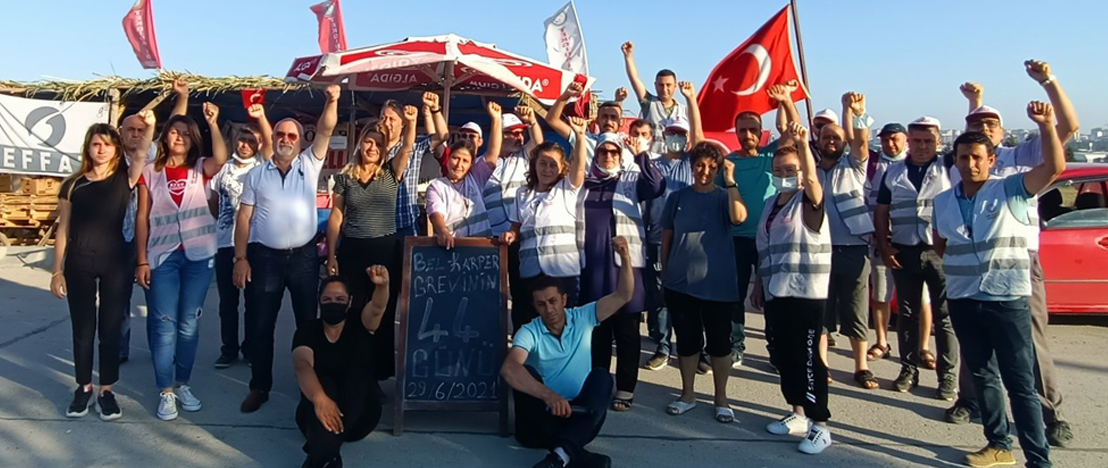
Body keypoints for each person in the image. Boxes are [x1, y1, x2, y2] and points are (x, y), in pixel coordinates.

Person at [944, 61, 1079, 449]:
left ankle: (1049, 413)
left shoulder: (1022, 156)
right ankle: (970, 400)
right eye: (978, 124)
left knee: (1029, 339)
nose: (985, 128)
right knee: (974, 339)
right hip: (973, 261)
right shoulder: (965, 162)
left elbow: (1068, 128)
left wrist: (1048, 83)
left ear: (1002, 133)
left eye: (992, 124)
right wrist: (975, 102)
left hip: (1018, 259)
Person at [235, 84, 342, 413]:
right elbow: (244, 217)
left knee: (308, 325)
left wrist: (332, 100)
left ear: (300, 142)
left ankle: (311, 389)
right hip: (265, 258)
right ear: (273, 137)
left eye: (292, 135)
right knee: (261, 325)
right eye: (280, 134)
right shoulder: (256, 175)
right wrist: (240, 258)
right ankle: (259, 386)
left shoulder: (309, 164)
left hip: (304, 259)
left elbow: (326, 129)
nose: (285, 139)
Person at [501, 236, 637, 468]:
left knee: (602, 377)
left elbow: (623, 295)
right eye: (541, 304)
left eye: (553, 301)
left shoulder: (584, 316)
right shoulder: (529, 331)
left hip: (578, 415)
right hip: (541, 420)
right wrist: (549, 396)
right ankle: (572, 453)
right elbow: (510, 369)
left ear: (564, 300)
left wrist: (625, 257)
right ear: (535, 307)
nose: (549, 309)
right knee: (526, 371)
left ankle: (559, 457)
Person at [51, 118, 152, 421]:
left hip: (115, 262)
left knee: (110, 328)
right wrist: (57, 271)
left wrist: (149, 126)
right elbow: (63, 229)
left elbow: (142, 150)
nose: (101, 150)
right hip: (79, 261)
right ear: (88, 148)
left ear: (116, 149)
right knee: (83, 329)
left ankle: (106, 390)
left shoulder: (126, 178)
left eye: (107, 145)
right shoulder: (73, 184)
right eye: (96, 144)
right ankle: (84, 387)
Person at [135, 102, 228, 421]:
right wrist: (141, 260)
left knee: (189, 323)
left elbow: (221, 159)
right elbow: (142, 217)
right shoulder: (150, 171)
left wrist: (213, 123)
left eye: (186, 133)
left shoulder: (200, 168)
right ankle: (165, 390)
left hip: (198, 258)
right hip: (163, 257)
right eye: (174, 131)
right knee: (164, 324)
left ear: (193, 140)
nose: (179, 137)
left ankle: (182, 383)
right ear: (165, 136)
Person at [750, 123, 833, 454]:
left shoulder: (808, 201)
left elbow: (813, 181)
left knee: (809, 359)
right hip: (776, 292)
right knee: (784, 356)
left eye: (790, 170)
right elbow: (765, 248)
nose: (784, 174)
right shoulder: (771, 204)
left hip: (805, 292)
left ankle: (820, 424)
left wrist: (802, 143)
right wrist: (760, 284)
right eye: (779, 170)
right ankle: (797, 413)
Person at [325, 100, 419, 383]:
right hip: (352, 251)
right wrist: (331, 255)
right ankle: (354, 370)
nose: (372, 148)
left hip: (384, 251)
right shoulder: (344, 178)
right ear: (361, 143)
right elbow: (336, 216)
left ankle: (377, 374)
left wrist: (411, 122)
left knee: (382, 312)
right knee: (354, 309)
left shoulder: (391, 173)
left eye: (379, 144)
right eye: (368, 142)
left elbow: (407, 147)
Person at [581, 124, 665, 413]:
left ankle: (626, 388)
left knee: (627, 330)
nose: (608, 156)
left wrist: (641, 156)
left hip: (627, 267)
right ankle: (599, 385)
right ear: (596, 154)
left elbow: (657, 186)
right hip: (594, 266)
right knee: (598, 331)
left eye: (613, 152)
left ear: (620, 155)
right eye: (603, 151)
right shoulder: (586, 183)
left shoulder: (631, 178)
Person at [661, 142, 747, 423]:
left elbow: (739, 217)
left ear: (719, 169)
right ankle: (687, 394)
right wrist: (665, 271)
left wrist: (731, 181)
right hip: (680, 284)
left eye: (712, 167)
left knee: (720, 344)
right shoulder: (677, 197)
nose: (705, 171)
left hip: (718, 285)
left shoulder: (725, 196)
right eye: (699, 165)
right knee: (687, 342)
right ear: (691, 166)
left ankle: (721, 398)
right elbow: (667, 235)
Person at [874, 116, 958, 399]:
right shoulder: (894, 172)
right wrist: (885, 246)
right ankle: (908, 370)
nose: (922, 146)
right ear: (908, 142)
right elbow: (882, 210)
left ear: (938, 141)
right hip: (904, 251)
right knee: (907, 315)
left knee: (944, 318)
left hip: (939, 252)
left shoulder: (948, 167)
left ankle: (947, 376)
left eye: (928, 141)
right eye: (917, 141)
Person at [722, 83, 795, 370]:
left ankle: (776, 350)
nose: (748, 135)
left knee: (773, 296)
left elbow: (792, 132)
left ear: (761, 131)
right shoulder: (728, 163)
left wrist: (785, 101)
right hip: (736, 239)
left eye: (753, 129)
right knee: (735, 296)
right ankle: (735, 346)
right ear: (736, 133)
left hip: (770, 238)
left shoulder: (771, 156)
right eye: (743, 130)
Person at [116, 78, 189, 363]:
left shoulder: (153, 153)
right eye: (130, 130)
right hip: (119, 236)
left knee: (156, 298)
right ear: (121, 133)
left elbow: (174, 126)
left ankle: (159, 349)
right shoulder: (110, 158)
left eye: (140, 130)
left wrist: (182, 96)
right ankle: (119, 350)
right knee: (118, 297)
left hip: (153, 235)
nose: (136, 134)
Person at [500, 117, 590, 332]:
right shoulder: (522, 193)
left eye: (552, 165)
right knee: (530, 323)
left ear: (561, 168)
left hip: (562, 271)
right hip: (530, 271)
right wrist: (511, 234)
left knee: (563, 326)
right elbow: (516, 226)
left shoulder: (567, 189)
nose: (547, 169)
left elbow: (579, 167)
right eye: (542, 163)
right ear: (534, 164)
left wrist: (580, 137)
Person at [293, 268, 390, 468]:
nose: (333, 303)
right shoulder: (307, 331)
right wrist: (321, 400)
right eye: (327, 299)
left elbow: (377, 308)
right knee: (324, 382)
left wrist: (382, 286)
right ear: (319, 301)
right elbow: (302, 366)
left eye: (340, 299)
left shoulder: (361, 323)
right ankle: (329, 456)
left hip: (360, 418)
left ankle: (319, 453)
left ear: (349, 301)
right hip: (316, 415)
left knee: (358, 377)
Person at [815, 93, 877, 389]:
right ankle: (822, 365)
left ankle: (861, 366)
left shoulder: (854, 165)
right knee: (822, 310)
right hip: (819, 249)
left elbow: (861, 141)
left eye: (836, 137)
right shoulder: (810, 169)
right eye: (826, 136)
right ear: (818, 140)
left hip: (853, 247)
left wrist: (854, 112)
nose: (831, 141)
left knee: (856, 309)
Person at [642, 82, 704, 371]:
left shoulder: (692, 162)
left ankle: (694, 350)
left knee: (693, 296)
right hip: (657, 240)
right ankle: (664, 347)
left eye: (681, 134)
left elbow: (700, 137)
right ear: (664, 136)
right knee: (662, 297)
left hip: (689, 241)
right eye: (672, 133)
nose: (676, 138)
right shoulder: (653, 164)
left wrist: (691, 99)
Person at [211, 104, 273, 368]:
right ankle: (228, 348)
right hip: (225, 244)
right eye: (242, 139)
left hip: (254, 243)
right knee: (227, 302)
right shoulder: (222, 169)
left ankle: (250, 348)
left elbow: (271, 145)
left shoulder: (261, 168)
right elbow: (213, 201)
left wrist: (261, 117)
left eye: (251, 140)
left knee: (253, 301)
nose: (245, 144)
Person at [427, 102, 504, 246]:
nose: (459, 165)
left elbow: (493, 153)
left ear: (471, 164)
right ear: (448, 159)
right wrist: (442, 231)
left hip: (482, 247)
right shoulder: (436, 186)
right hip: (452, 247)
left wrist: (496, 119)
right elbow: (435, 213)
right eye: (455, 158)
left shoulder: (476, 177)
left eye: (464, 161)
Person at [864, 122, 908, 363]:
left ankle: (921, 347)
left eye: (895, 138)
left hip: (911, 241)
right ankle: (882, 341)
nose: (890, 144)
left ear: (905, 140)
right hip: (881, 241)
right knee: (881, 295)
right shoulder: (873, 164)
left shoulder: (916, 164)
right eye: (885, 139)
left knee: (920, 299)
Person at [380, 97, 442, 237]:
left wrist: (434, 110)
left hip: (406, 223)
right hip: (378, 224)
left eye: (392, 119)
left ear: (402, 123)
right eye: (383, 118)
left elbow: (442, 135)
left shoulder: (415, 145)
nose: (386, 123)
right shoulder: (372, 147)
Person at [620, 41, 686, 152]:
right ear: (655, 85)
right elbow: (634, 79)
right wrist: (628, 56)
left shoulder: (683, 110)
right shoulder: (649, 103)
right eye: (661, 85)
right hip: (651, 158)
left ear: (675, 86)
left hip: (675, 158)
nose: (664, 89)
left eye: (668, 85)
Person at [545, 82, 633, 165]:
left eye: (613, 117)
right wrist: (566, 95)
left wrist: (618, 101)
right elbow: (552, 120)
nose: (608, 121)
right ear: (597, 120)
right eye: (604, 117)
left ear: (621, 122)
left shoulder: (629, 143)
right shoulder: (584, 140)